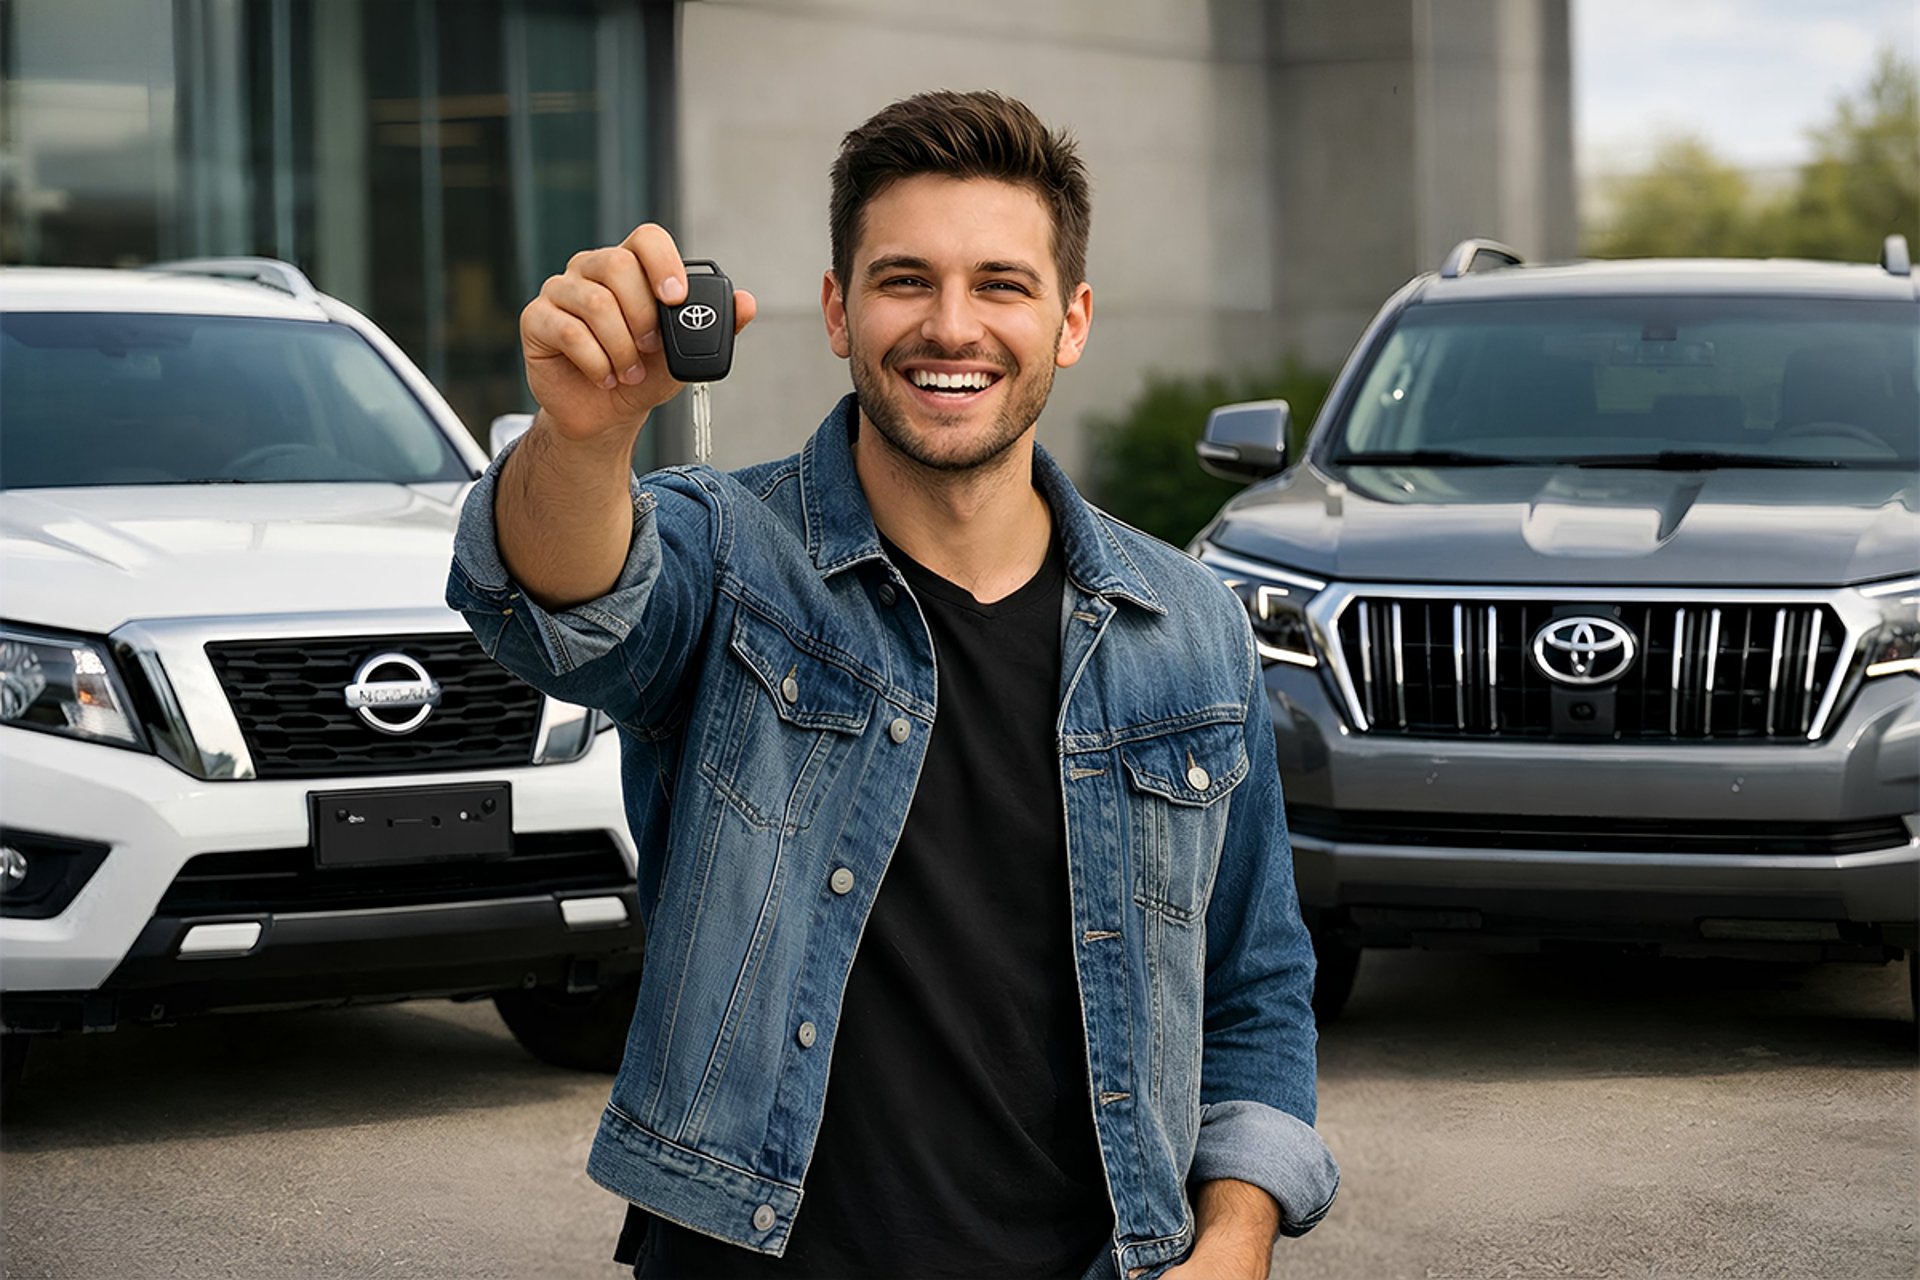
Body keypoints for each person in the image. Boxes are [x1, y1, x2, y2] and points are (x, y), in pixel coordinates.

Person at [447, 89, 1337, 1280]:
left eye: (1002, 285)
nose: (951, 325)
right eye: (905, 279)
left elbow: (1256, 989)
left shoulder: (1189, 629)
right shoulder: (726, 556)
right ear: (838, 309)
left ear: (1071, 321)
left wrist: (1232, 1244)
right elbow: (561, 611)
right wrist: (584, 439)